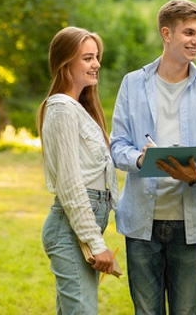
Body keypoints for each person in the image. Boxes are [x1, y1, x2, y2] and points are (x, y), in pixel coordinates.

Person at [111, 0, 196, 314]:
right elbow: (116, 146)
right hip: (142, 221)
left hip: (191, 222)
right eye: (189, 33)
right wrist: (141, 160)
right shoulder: (132, 84)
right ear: (166, 33)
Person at [37, 26, 119, 314]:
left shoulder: (78, 108)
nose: (96, 64)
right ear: (65, 63)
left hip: (84, 224)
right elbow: (71, 186)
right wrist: (95, 243)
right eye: (87, 58)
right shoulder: (61, 109)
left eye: (96, 57)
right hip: (70, 230)